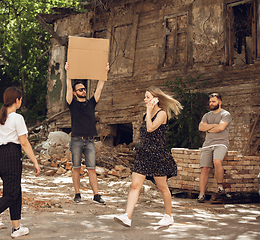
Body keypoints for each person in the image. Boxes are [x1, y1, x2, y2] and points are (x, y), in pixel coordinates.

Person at [0, 87, 41, 240]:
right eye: (21, 99)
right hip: (12, 155)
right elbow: (24, 143)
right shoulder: (17, 118)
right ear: (17, 100)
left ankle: (16, 228)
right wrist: (35, 162)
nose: (21, 101)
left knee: (15, 190)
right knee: (11, 194)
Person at [114, 86, 182, 227]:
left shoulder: (162, 113)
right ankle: (127, 216)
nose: (145, 100)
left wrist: (149, 111)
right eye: (145, 97)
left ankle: (168, 216)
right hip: (144, 154)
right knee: (135, 185)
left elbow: (151, 128)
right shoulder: (147, 115)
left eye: (148, 97)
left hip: (157, 154)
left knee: (162, 187)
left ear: (156, 99)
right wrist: (148, 112)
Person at [65, 62, 109, 204]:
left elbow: (100, 88)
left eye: (84, 89)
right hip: (76, 140)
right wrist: (68, 73)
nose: (83, 91)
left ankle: (96, 195)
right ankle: (77, 194)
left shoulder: (91, 103)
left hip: (90, 141)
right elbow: (67, 86)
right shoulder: (72, 104)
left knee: (91, 169)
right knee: (76, 168)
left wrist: (104, 72)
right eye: (80, 89)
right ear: (75, 92)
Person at [197, 93, 231, 203]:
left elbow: (221, 127)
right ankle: (201, 195)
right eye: (210, 102)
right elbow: (201, 127)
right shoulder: (207, 115)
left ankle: (220, 187)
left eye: (214, 102)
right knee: (205, 168)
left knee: (217, 161)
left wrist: (209, 127)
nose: (211, 103)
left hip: (221, 143)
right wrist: (214, 126)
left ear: (219, 102)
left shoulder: (225, 114)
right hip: (208, 144)